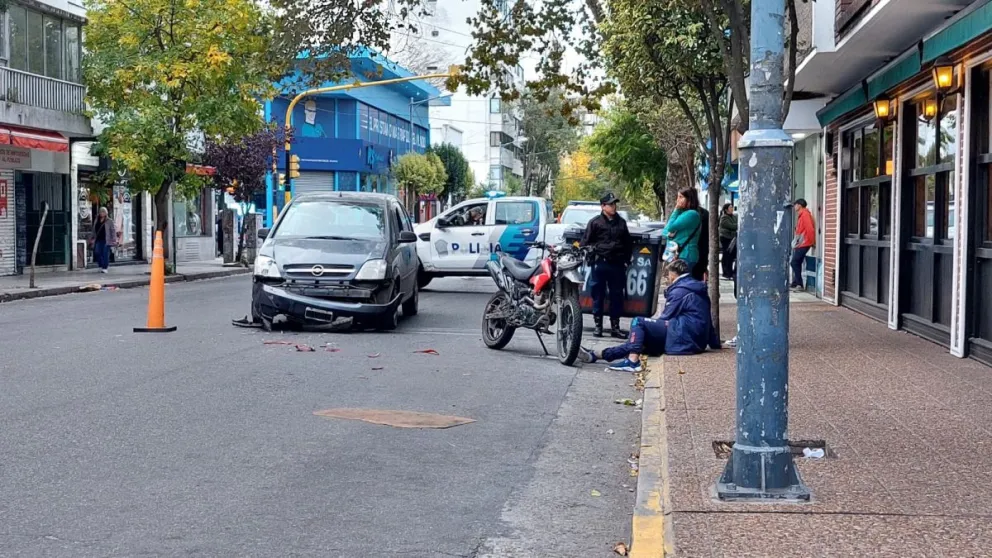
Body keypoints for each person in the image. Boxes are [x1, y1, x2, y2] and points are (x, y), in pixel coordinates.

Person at [580, 259, 719, 372]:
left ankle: (632, 361)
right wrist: (714, 343)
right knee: (639, 341)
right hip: (694, 339)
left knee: (639, 322)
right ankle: (598, 354)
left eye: (668, 275)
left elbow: (665, 317)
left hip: (684, 337)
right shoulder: (696, 288)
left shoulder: (680, 291)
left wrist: (650, 328)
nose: (667, 278)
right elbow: (708, 319)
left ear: (673, 274)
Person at [581, 192, 633, 338]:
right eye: (610, 204)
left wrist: (626, 260)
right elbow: (585, 243)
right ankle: (598, 326)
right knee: (598, 294)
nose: (613, 206)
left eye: (614, 203)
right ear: (603, 206)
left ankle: (615, 327)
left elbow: (627, 243)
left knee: (616, 295)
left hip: (617, 264)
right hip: (600, 263)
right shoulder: (595, 222)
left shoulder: (621, 222)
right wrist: (593, 254)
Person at [662, 188, 702, 270]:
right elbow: (665, 231)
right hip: (677, 254)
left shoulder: (692, 214)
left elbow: (671, 227)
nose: (678, 200)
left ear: (689, 199)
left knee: (682, 281)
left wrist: (676, 210)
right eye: (678, 197)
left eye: (681, 197)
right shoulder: (682, 213)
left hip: (686, 254)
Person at [791, 198, 816, 291]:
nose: (794, 207)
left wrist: (812, 241)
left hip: (804, 243)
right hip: (801, 243)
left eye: (795, 205)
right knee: (797, 262)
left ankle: (799, 284)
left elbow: (810, 229)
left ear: (799, 205)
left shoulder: (805, 215)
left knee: (794, 262)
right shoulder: (802, 215)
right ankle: (795, 282)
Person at [89, 207, 117, 273]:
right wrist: (91, 237)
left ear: (106, 213)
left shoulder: (109, 221)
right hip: (98, 239)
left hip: (107, 240)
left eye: (103, 212)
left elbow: (113, 231)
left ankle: (105, 267)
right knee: (97, 252)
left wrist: (114, 240)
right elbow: (94, 229)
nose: (102, 213)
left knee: (105, 253)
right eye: (101, 211)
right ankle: (101, 264)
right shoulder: (97, 220)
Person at [719, 203, 738, 279]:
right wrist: (736, 225)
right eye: (730, 207)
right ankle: (726, 272)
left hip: (732, 238)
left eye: (732, 207)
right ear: (726, 209)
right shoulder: (724, 218)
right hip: (726, 238)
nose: (732, 208)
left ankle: (731, 272)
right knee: (727, 255)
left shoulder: (734, 216)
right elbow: (732, 226)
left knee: (732, 255)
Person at [692, 206, 710, 281]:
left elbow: (671, 227)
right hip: (703, 250)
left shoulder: (688, 214)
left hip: (691, 251)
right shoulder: (706, 213)